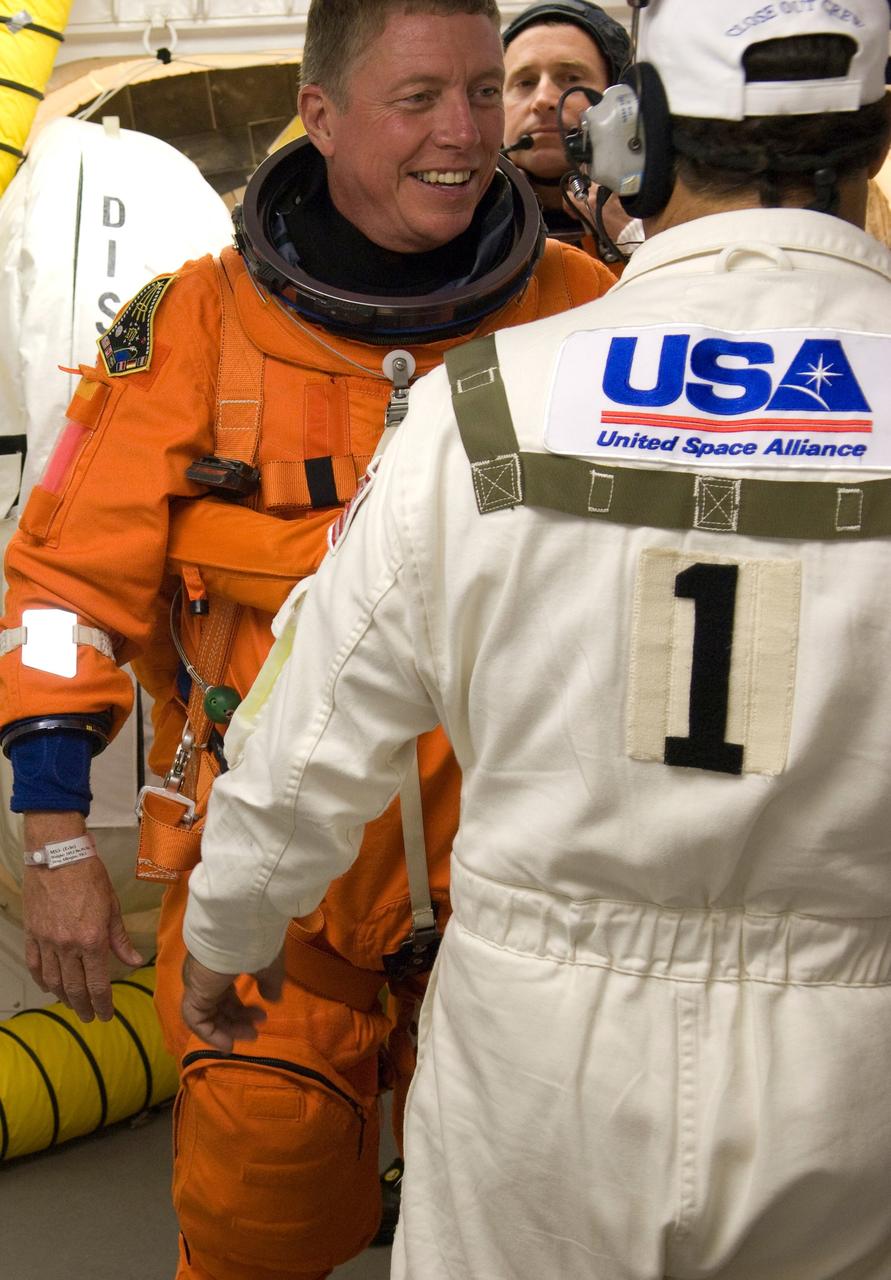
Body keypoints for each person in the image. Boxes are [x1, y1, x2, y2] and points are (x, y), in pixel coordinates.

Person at [181, 1, 891, 1277]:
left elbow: (298, 745)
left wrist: (224, 942)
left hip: (538, 1076)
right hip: (856, 1083)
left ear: (635, 138)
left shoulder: (482, 409)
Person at [0, 1, 616, 1277]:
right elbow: (62, 582)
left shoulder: (585, 314)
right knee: (252, 1227)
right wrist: (57, 836)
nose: (465, 135)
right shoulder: (194, 328)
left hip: (529, 893)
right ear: (320, 113)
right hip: (273, 905)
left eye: (480, 93)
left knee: (528, 1242)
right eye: (415, 101)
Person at [502, 0, 640, 261]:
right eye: (525, 82)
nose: (543, 100)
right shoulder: (459, 219)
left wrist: (634, 237)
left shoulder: (671, 210)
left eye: (571, 79)